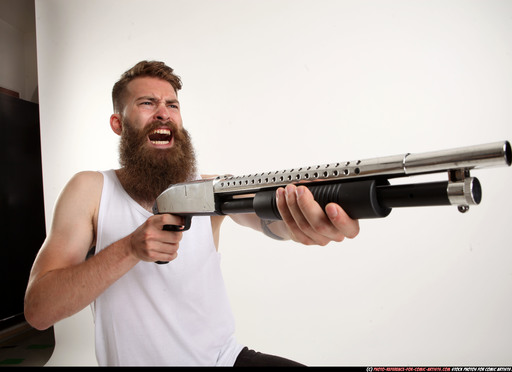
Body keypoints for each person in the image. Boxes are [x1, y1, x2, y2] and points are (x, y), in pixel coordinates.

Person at [24, 61, 360, 366]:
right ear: (117, 123)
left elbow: (267, 213)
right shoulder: (91, 190)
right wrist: (130, 248)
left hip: (225, 360)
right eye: (147, 103)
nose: (163, 113)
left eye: (172, 105)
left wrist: (303, 216)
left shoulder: (208, 190)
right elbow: (39, 310)